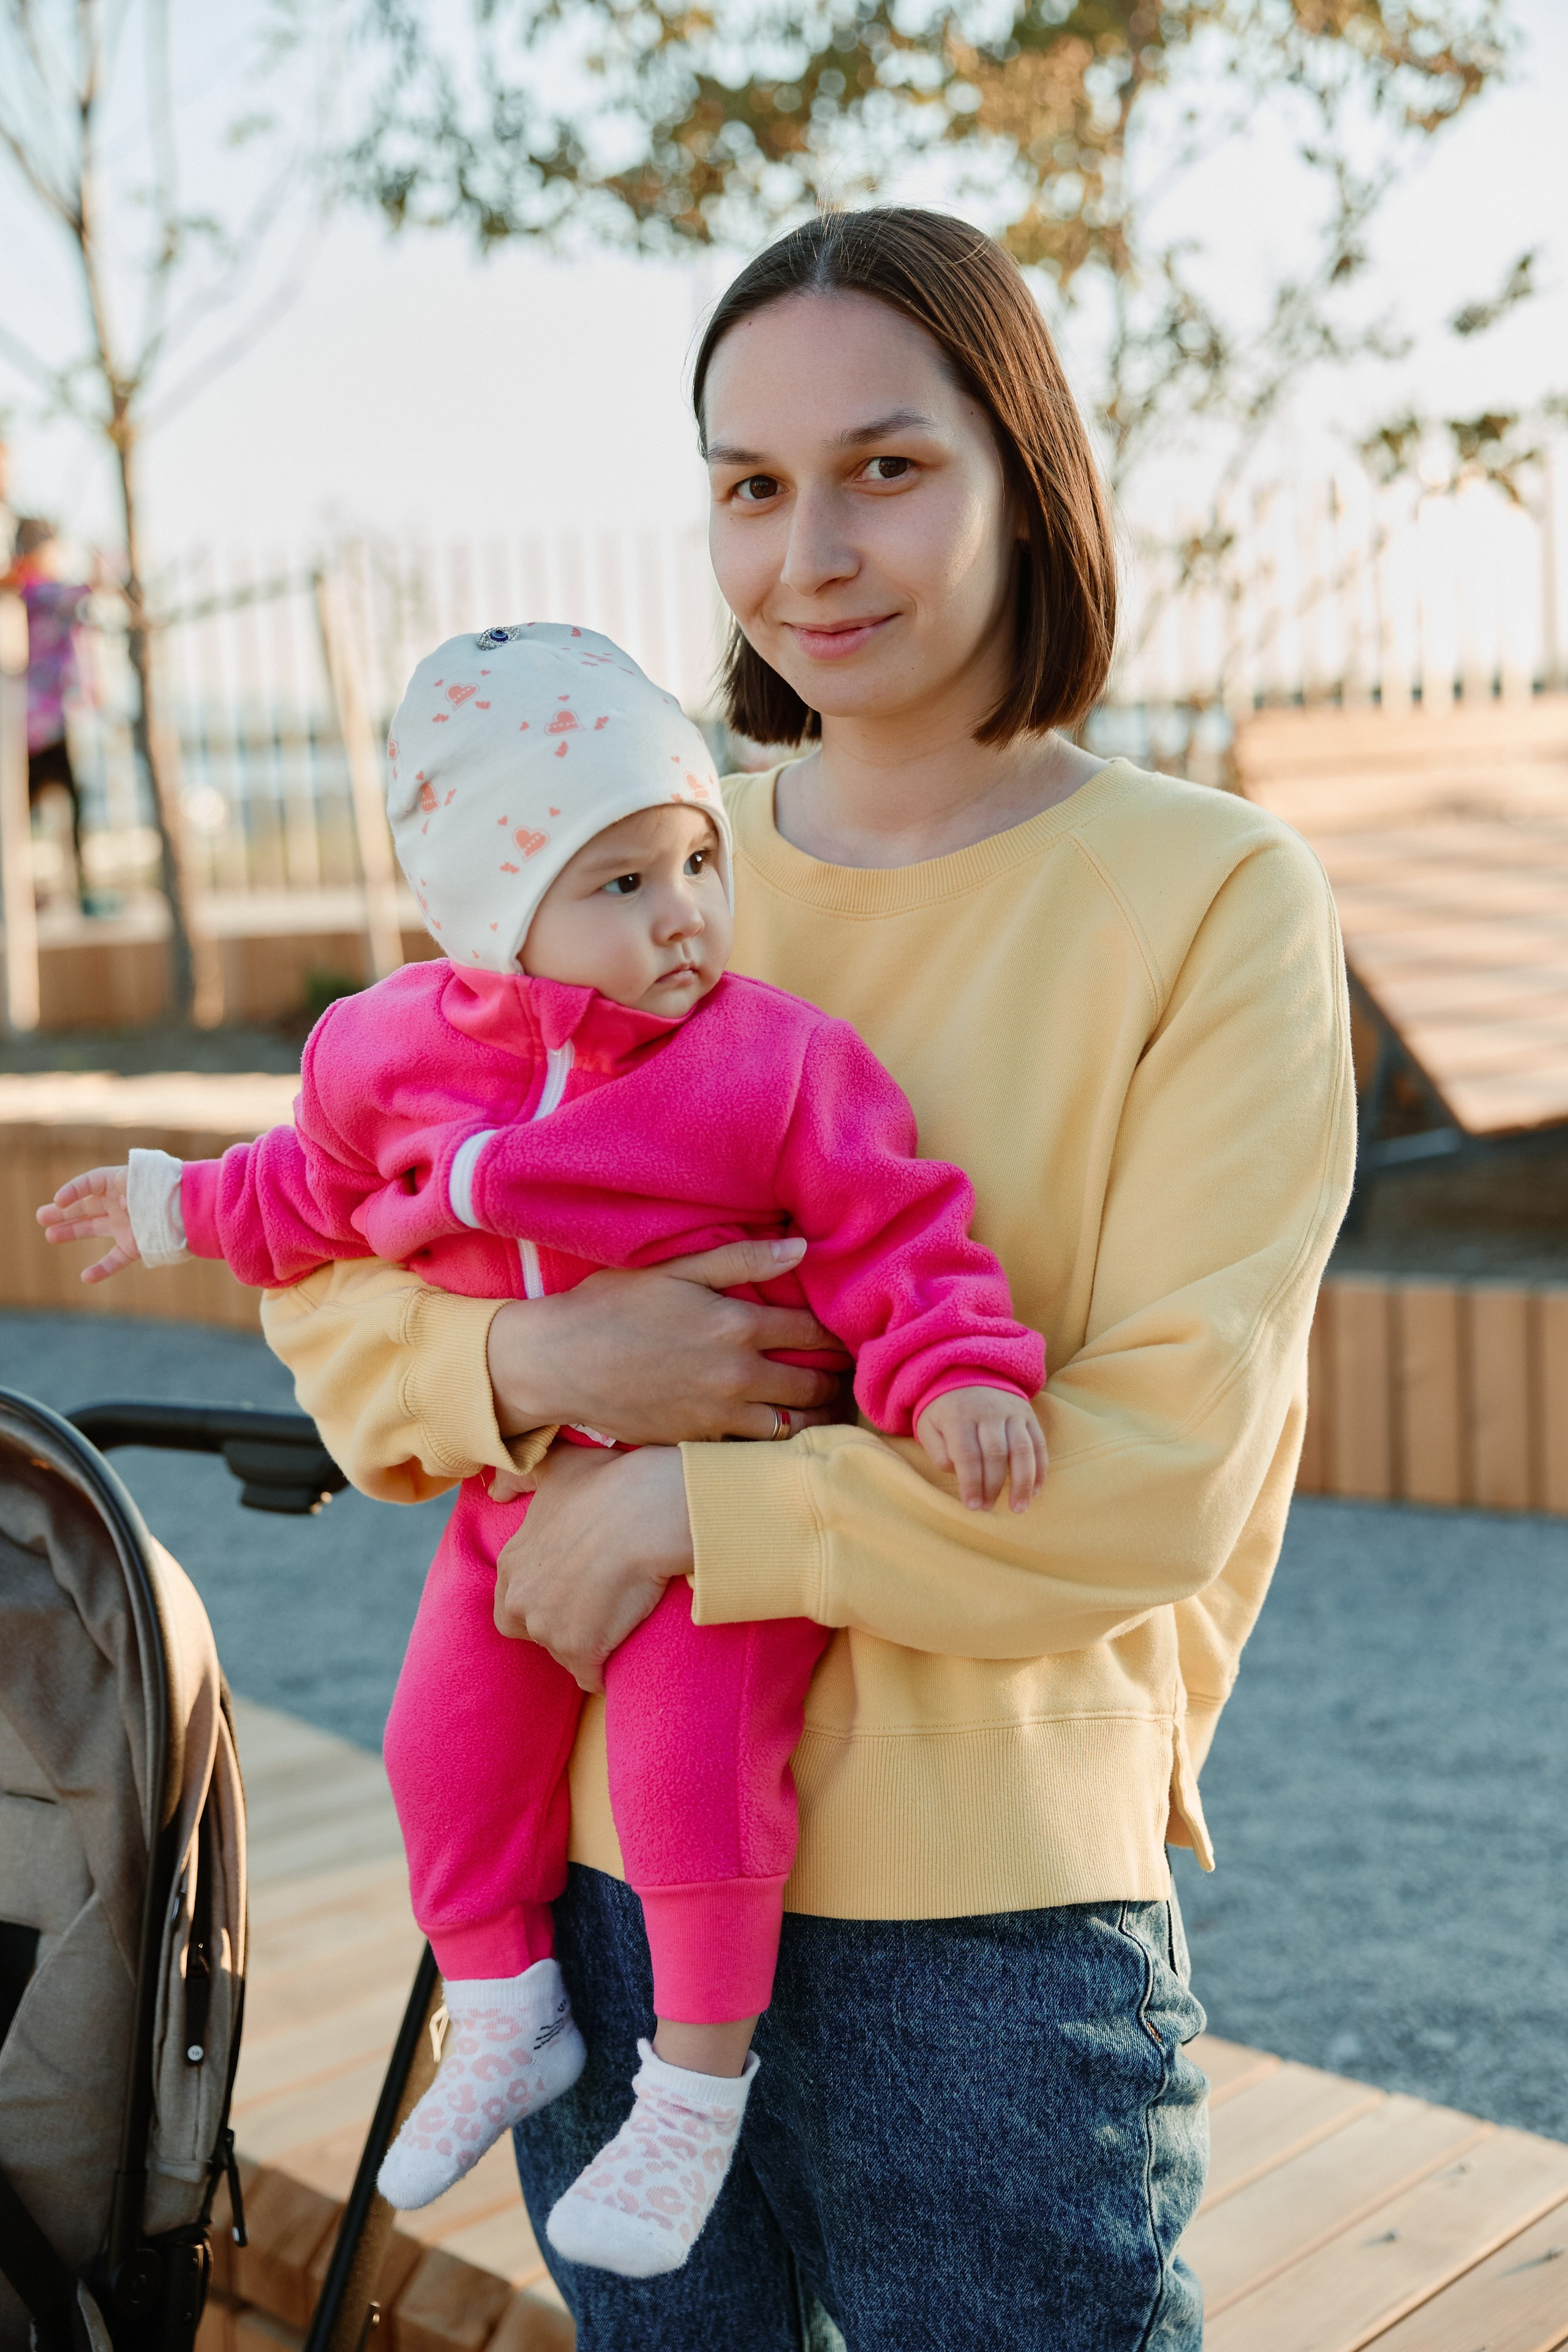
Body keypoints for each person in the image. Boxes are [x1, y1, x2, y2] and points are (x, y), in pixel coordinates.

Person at [190, 210, 1352, 2347]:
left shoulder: (1210, 898)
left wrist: (678, 1505)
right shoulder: (621, 852)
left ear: (1026, 470)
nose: (809, 548)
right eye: (748, 485)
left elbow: (1154, 1474)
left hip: (989, 1936)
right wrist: (537, 1353)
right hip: (602, 1903)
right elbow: (343, 1262)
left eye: (886, 468)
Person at [39, 621, 1048, 2277]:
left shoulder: (769, 1063)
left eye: (699, 862)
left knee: (685, 1779)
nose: (687, 916)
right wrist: (170, 1205)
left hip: (718, 1515)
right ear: (494, 915)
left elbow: (898, 1233)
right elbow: (307, 1199)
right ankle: (507, 2013)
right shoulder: (386, 1054)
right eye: (625, 885)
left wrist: (958, 1373)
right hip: (516, 1494)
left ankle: (697, 2091)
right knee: (436, 1744)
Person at [2, 518, 89, 910]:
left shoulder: (27, 589)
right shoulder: (36, 590)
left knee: (35, 806)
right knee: (54, 802)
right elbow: (74, 594)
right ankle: (75, 888)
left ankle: (65, 886)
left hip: (41, 717)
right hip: (40, 721)